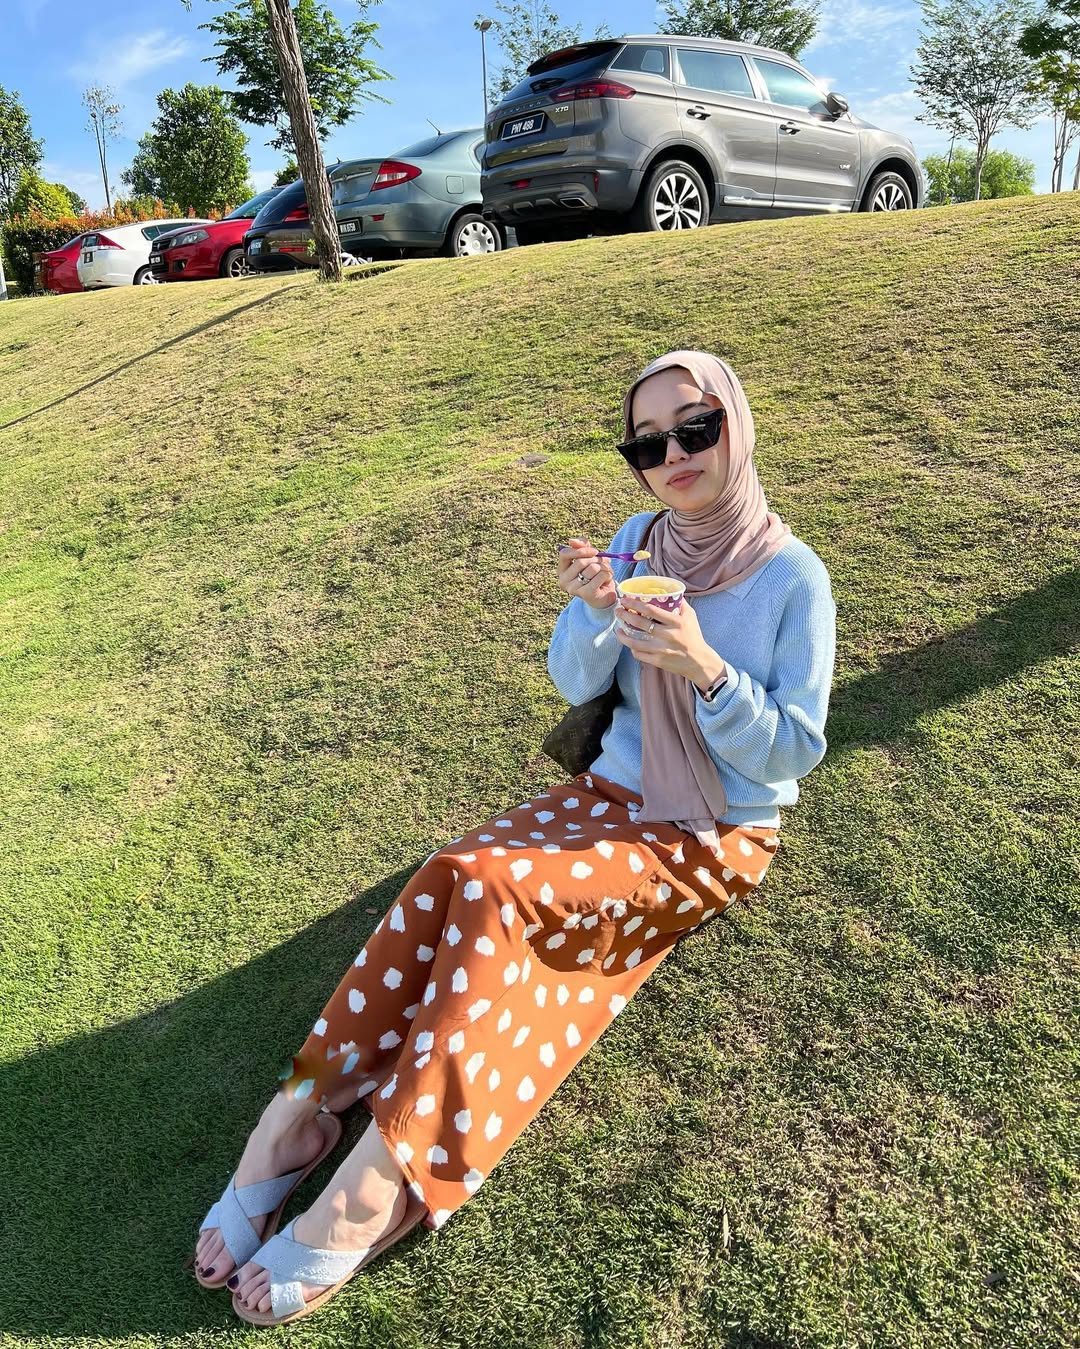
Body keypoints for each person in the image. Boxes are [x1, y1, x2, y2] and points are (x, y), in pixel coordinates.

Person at [193, 349, 837, 1326]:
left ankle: (376, 1176)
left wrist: (706, 668)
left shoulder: (793, 577)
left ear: (734, 426)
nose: (673, 455)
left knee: (501, 903)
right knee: (452, 871)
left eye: (695, 427)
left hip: (709, 829)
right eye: (647, 443)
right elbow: (575, 678)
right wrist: (595, 608)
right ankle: (295, 1116)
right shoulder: (638, 540)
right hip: (607, 793)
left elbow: (793, 749)